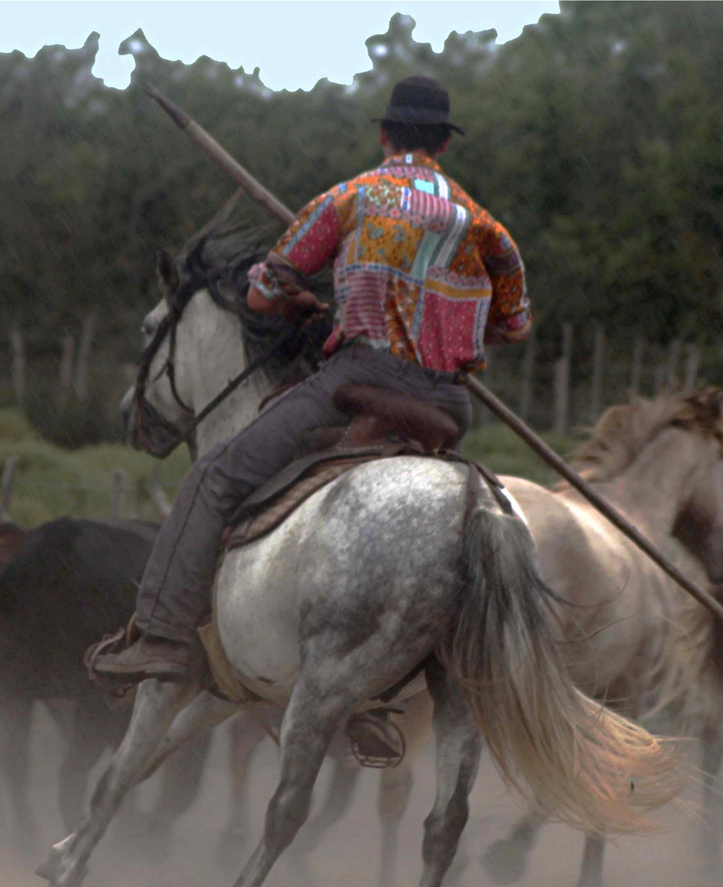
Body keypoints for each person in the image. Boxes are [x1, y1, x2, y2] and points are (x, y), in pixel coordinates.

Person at [94, 75, 533, 683]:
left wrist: (308, 295)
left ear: (383, 135)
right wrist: (438, 320)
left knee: (214, 475)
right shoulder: (487, 228)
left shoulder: (348, 200)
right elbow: (515, 327)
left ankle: (162, 635)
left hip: (358, 384)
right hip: (447, 407)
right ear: (444, 144)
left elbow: (263, 293)